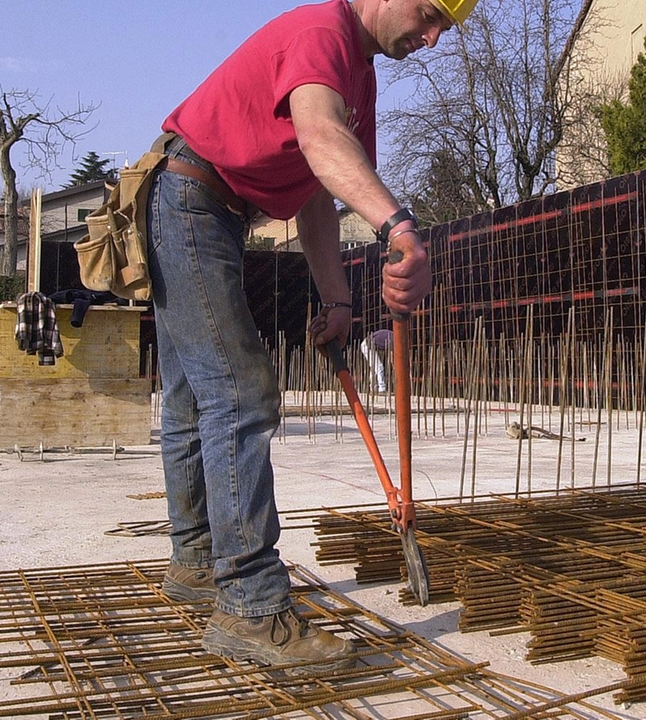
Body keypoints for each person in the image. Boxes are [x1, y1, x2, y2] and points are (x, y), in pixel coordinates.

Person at [147, 0, 478, 674]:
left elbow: (315, 188)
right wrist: (401, 228)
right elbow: (322, 140)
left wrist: (336, 298)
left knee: (193, 394)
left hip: (203, 205)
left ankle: (195, 564)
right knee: (239, 391)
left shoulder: (357, 75)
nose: (433, 37)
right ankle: (251, 607)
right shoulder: (321, 33)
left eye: (445, 25)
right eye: (430, 13)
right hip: (190, 200)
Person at [360, 327, 393, 392]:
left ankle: (373, 387)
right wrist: (394, 367)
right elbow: (392, 356)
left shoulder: (392, 336)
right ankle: (382, 389)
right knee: (379, 367)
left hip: (370, 345)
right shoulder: (394, 340)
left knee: (375, 368)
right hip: (367, 346)